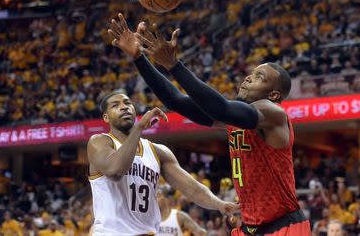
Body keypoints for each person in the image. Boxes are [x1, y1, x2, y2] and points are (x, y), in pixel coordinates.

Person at [108, 13, 311, 235]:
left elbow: (220, 107)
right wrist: (139, 58)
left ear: (273, 94)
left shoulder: (273, 114)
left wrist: (174, 65)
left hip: (284, 226)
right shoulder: (237, 119)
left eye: (259, 77)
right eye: (251, 73)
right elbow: (177, 101)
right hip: (249, 228)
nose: (248, 78)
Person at [87, 89, 238, 235]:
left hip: (149, 232)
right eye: (115, 105)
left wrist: (219, 204)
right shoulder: (99, 142)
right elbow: (115, 171)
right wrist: (138, 128)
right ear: (106, 117)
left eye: (127, 103)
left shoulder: (158, 151)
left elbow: (191, 188)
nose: (124, 107)